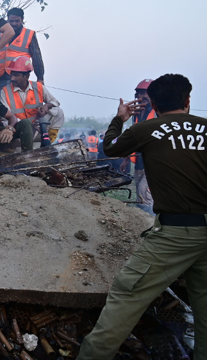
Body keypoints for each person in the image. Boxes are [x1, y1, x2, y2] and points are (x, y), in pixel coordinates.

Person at [78, 74, 207, 360]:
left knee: (127, 294)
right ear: (187, 100)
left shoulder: (148, 128)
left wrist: (119, 118)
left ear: (154, 104)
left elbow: (108, 147)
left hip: (176, 233)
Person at [0, 56, 64, 145]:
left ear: (26, 76)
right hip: (18, 131)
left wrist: (46, 106)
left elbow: (55, 102)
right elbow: (6, 119)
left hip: (36, 129)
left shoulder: (38, 87)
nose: (12, 78)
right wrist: (28, 126)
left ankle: (47, 141)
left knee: (58, 112)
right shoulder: (5, 91)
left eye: (16, 75)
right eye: (12, 75)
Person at [119, 79, 155, 213]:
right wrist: (126, 159)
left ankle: (150, 223)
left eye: (144, 93)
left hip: (153, 163)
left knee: (144, 194)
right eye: (138, 94)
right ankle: (144, 223)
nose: (140, 97)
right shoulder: (137, 115)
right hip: (140, 162)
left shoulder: (159, 113)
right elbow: (134, 138)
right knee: (140, 194)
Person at [0, 7, 45, 96]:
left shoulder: (29, 34)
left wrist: (40, 78)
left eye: (17, 21)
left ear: (22, 20)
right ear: (7, 20)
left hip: (19, 79)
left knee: (17, 105)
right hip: (0, 78)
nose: (14, 24)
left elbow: (37, 58)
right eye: (11, 21)